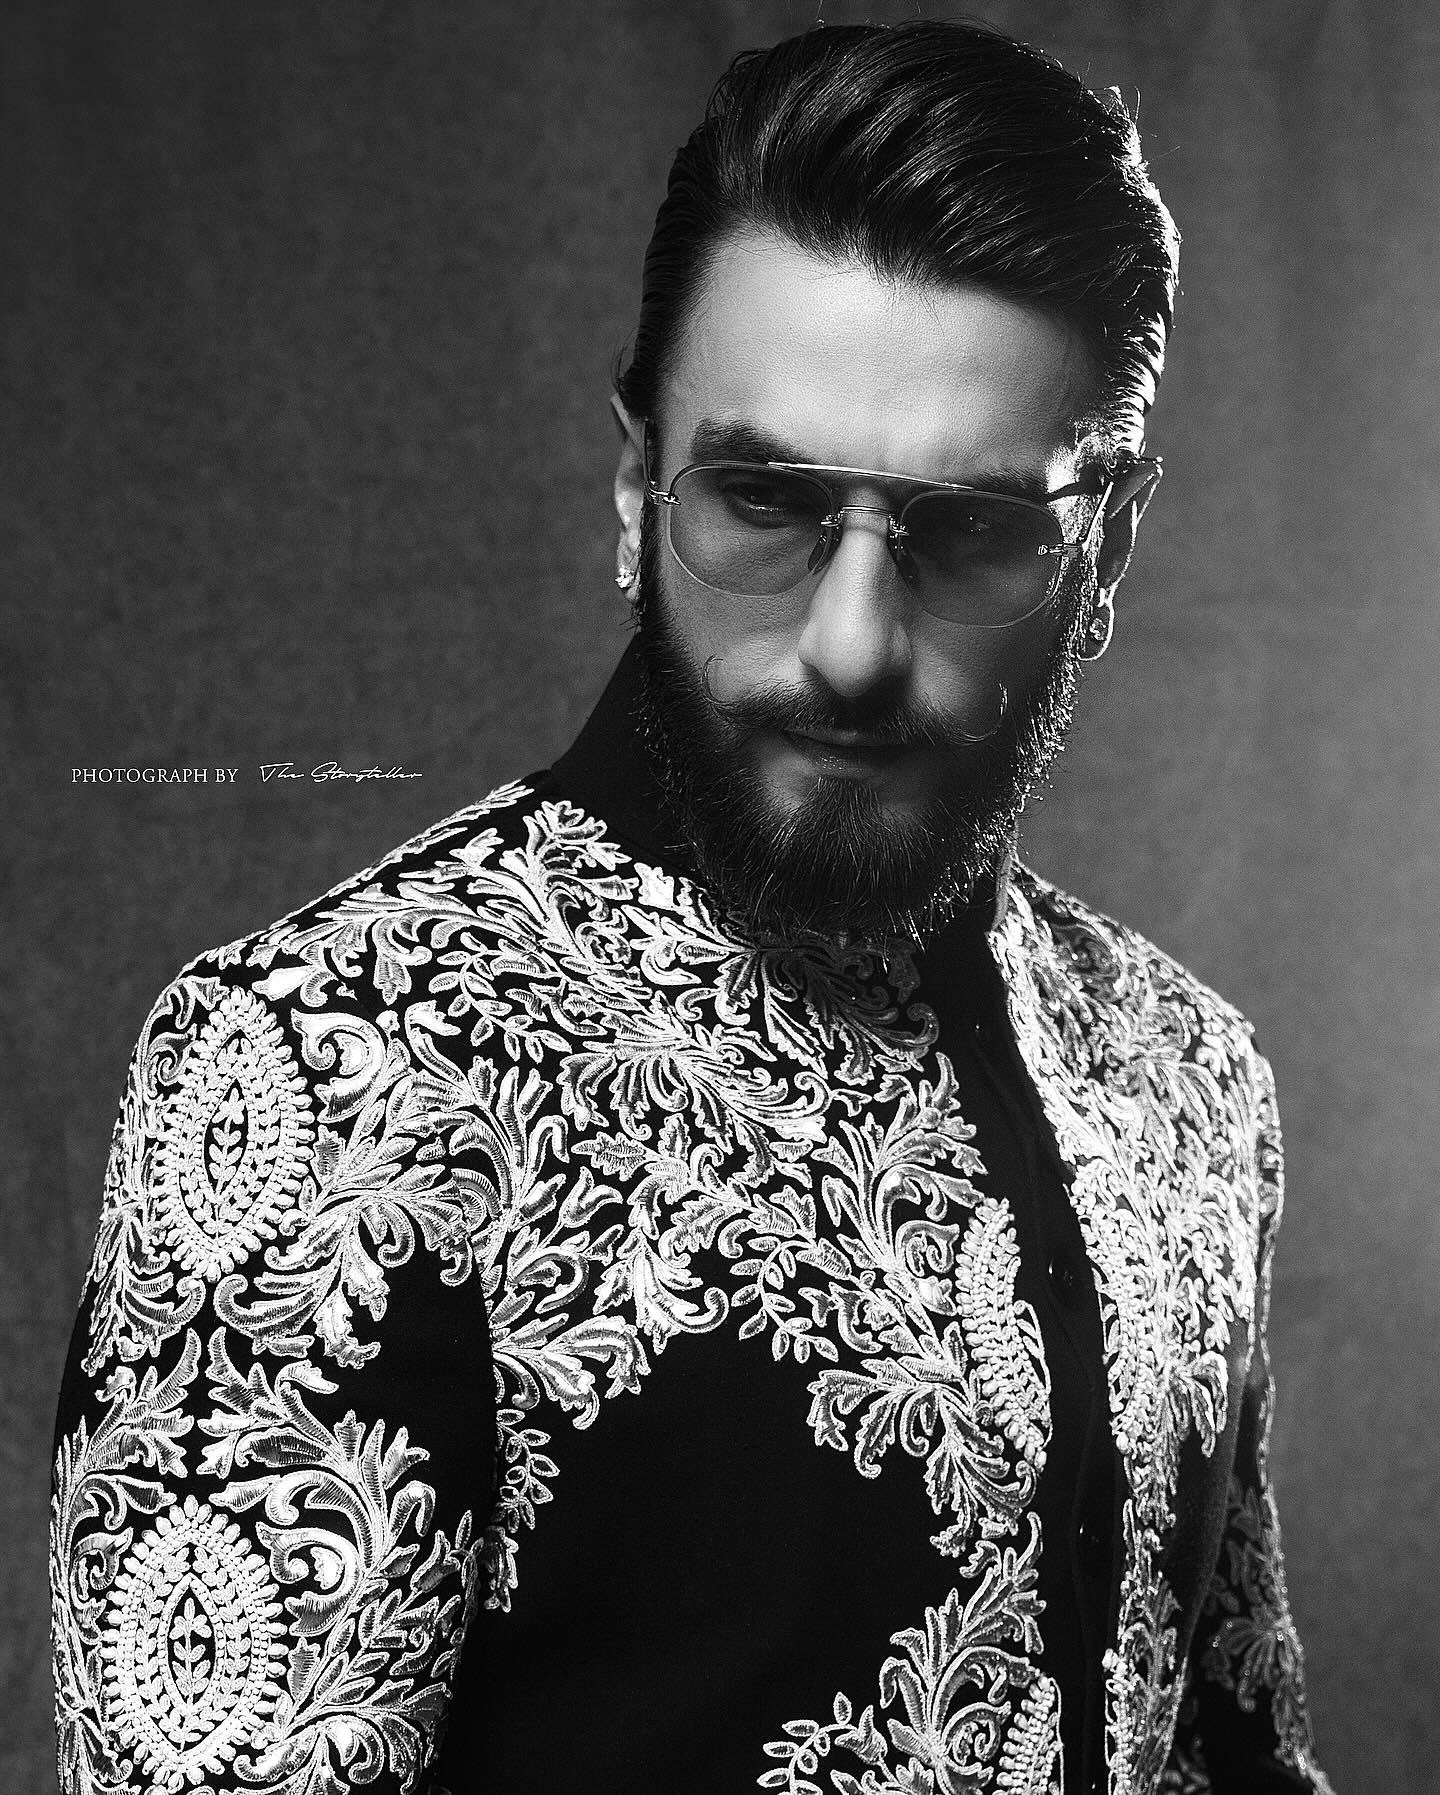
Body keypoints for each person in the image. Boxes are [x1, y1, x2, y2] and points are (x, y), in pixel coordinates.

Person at [50, 21, 1334, 1795]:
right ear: (633, 483)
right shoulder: (327, 1071)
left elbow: (1235, 1758)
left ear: (1102, 550)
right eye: (765, 502)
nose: (851, 644)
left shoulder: (1192, 1077)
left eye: (967, 532)